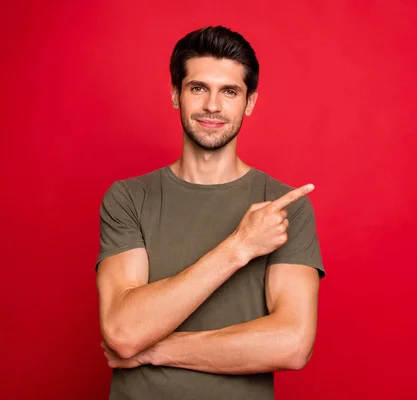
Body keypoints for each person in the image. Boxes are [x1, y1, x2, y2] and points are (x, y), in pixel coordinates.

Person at [95, 26, 325, 400]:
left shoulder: (283, 206)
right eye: (198, 88)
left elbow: (293, 344)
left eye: (229, 91)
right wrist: (240, 246)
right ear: (175, 95)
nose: (212, 106)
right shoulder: (128, 198)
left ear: (249, 102)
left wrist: (154, 350)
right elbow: (123, 332)